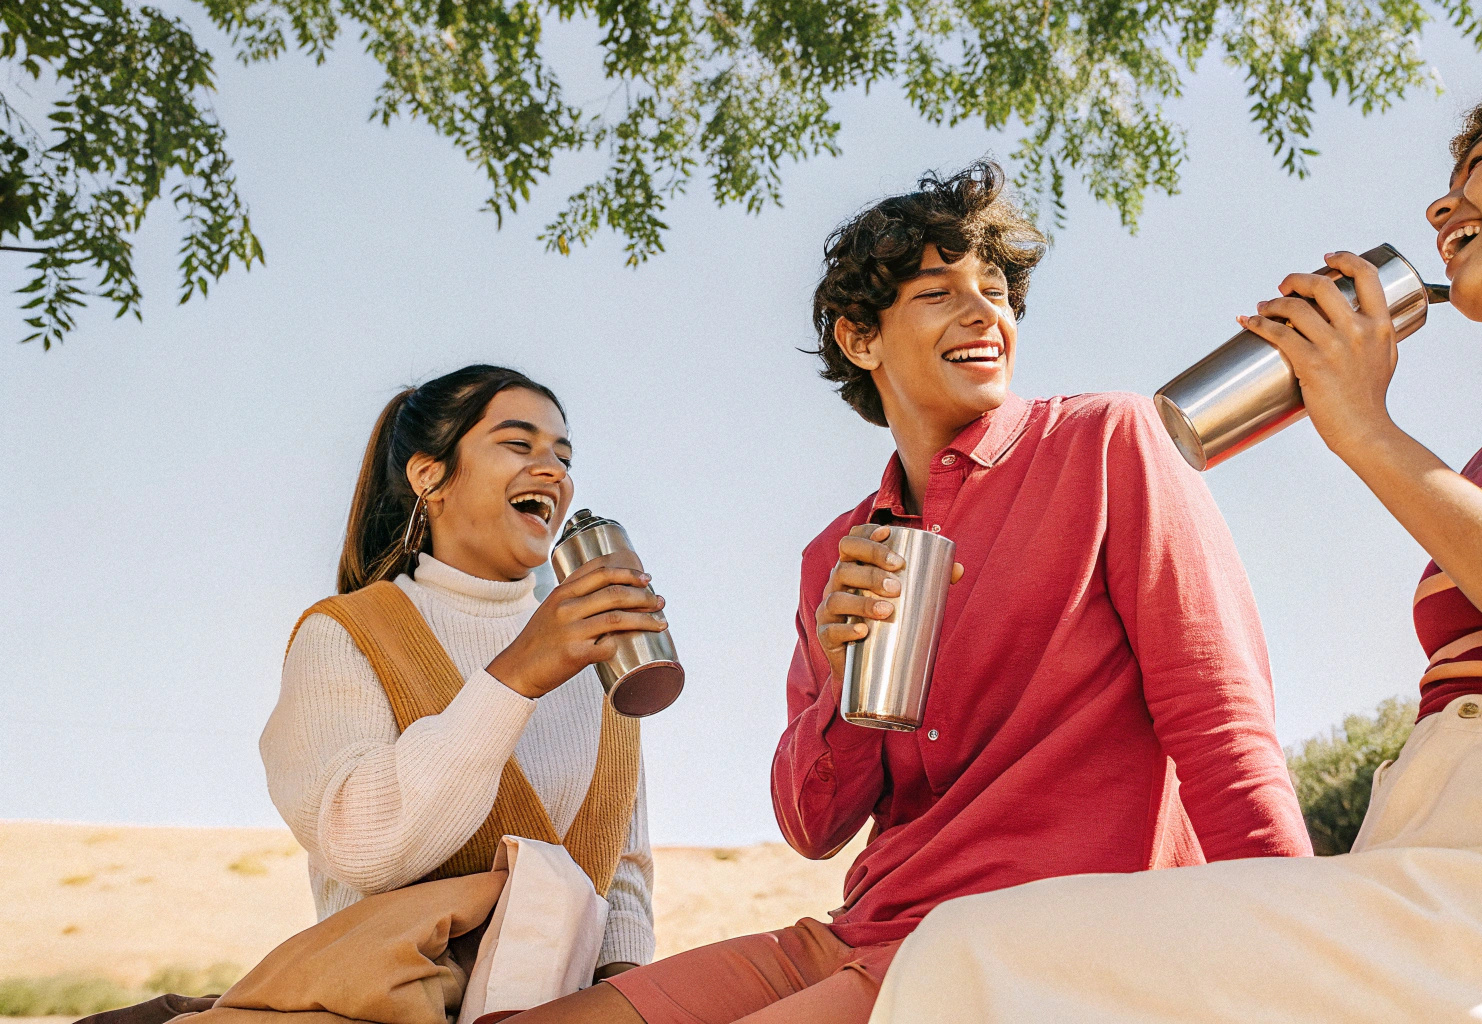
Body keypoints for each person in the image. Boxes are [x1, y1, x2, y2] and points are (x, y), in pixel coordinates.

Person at [867, 62, 1482, 1024]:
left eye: (1480, 161)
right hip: (1415, 845)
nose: (1444, 201)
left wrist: (1367, 432)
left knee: (975, 956)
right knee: (980, 951)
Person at [505, 161, 1310, 1024]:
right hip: (868, 925)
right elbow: (811, 825)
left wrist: (1302, 946)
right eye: (937, 293)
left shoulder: (1105, 443)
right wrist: (849, 685)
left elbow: (1219, 718)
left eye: (995, 290)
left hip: (1039, 934)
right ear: (861, 338)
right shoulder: (837, 554)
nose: (982, 314)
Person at [263, 364, 668, 982]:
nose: (554, 471)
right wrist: (516, 678)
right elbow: (364, 845)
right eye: (518, 443)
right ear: (431, 476)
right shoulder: (347, 633)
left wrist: (622, 996)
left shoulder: (600, 659)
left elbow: (621, 870)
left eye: (563, 455)